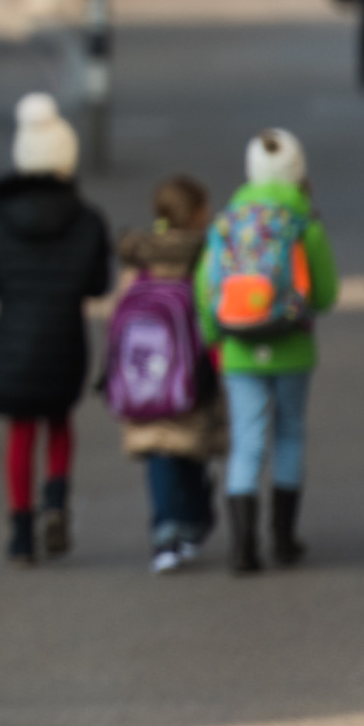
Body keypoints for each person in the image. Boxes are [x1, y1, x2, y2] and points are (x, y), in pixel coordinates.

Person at [0, 92, 113, 565]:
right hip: (65, 336)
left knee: (21, 429)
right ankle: (55, 500)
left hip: (13, 334)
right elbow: (98, 283)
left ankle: (19, 528)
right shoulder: (87, 218)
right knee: (59, 419)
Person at [198, 130, 339, 575]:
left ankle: (242, 546)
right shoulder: (303, 223)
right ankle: (283, 539)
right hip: (292, 345)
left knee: (247, 440)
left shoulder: (225, 224)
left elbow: (206, 290)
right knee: (290, 433)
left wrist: (213, 336)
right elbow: (326, 294)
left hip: (239, 347)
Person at [109, 175, 225, 574]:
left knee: (158, 450)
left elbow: (119, 316)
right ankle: (191, 521)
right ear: (197, 215)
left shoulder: (138, 258)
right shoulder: (204, 256)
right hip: (190, 374)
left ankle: (165, 531)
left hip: (143, 375)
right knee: (190, 448)